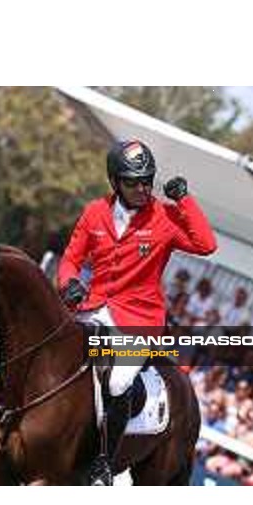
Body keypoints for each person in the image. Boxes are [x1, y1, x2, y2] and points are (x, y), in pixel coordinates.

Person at [57, 139, 217, 485]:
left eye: (147, 180)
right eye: (134, 181)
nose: (143, 188)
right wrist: (69, 282)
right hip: (93, 308)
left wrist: (184, 201)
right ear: (115, 181)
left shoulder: (164, 216)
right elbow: (71, 259)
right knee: (45, 347)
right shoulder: (94, 212)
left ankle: (102, 463)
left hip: (138, 322)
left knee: (117, 379)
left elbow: (206, 244)